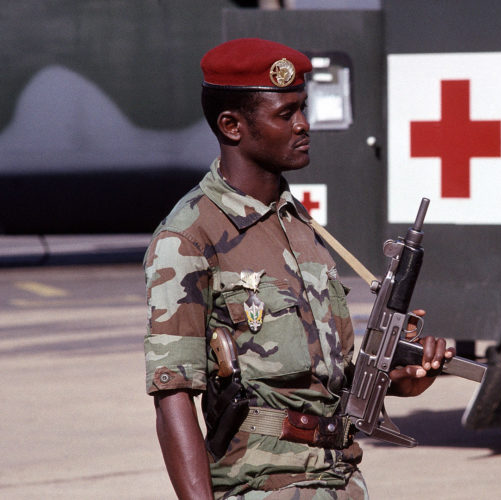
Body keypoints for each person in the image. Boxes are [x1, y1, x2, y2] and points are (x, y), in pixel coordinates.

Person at [143, 38, 453, 500]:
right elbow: (173, 398)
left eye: (303, 108)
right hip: (261, 487)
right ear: (232, 126)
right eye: (285, 114)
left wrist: (401, 377)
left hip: (341, 482)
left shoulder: (302, 227)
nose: (304, 125)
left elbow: (326, 383)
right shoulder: (189, 237)